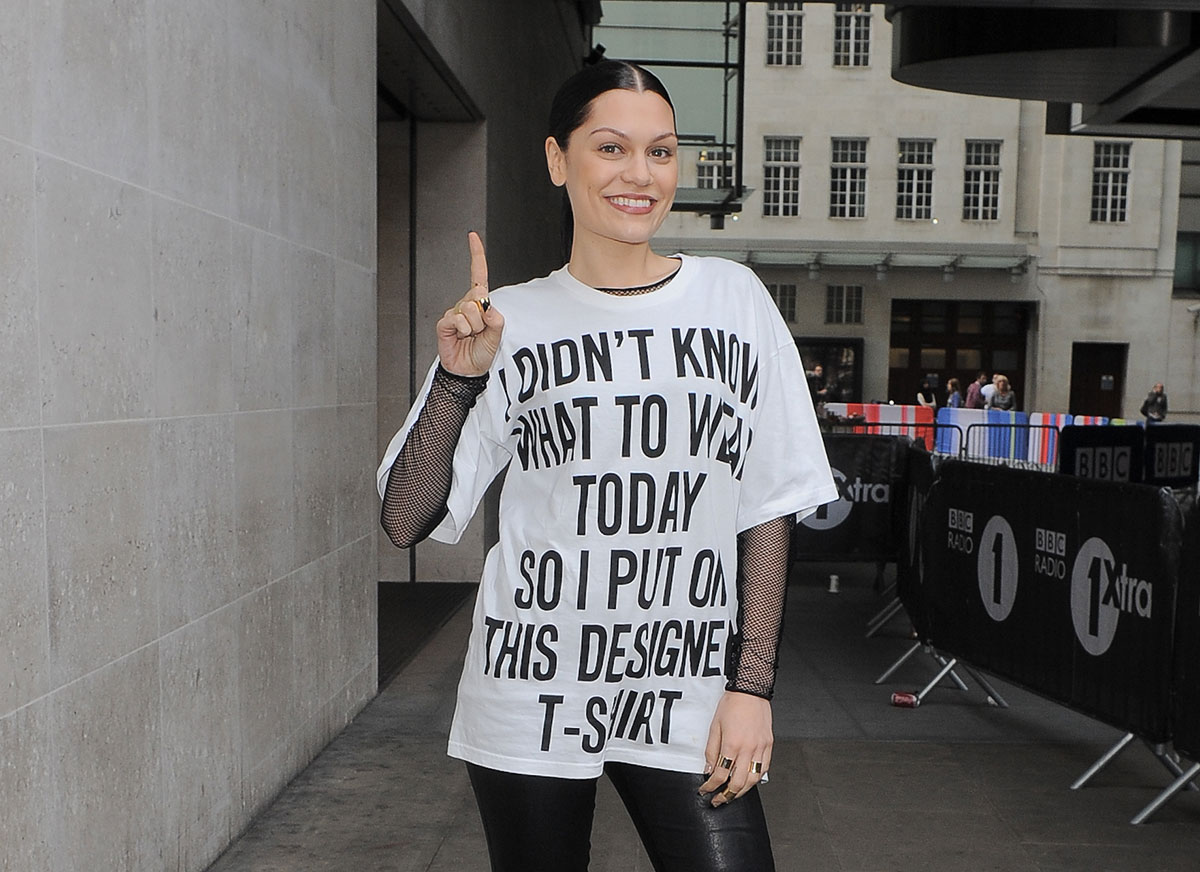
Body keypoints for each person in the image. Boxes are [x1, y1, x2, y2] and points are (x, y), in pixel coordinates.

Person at [376, 61, 838, 872]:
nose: (639, 174)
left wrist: (751, 688)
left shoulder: (735, 300)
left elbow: (769, 503)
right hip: (533, 692)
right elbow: (406, 517)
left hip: (689, 692)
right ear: (559, 160)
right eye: (611, 147)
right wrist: (457, 378)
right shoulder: (507, 320)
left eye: (660, 153)